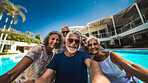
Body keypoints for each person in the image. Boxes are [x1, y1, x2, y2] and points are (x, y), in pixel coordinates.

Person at [27, 31, 110, 83]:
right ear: (66, 42)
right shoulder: (57, 57)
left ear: (79, 44)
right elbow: (46, 77)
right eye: (70, 40)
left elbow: (92, 64)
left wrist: (98, 78)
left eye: (77, 41)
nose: (73, 43)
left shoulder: (83, 55)